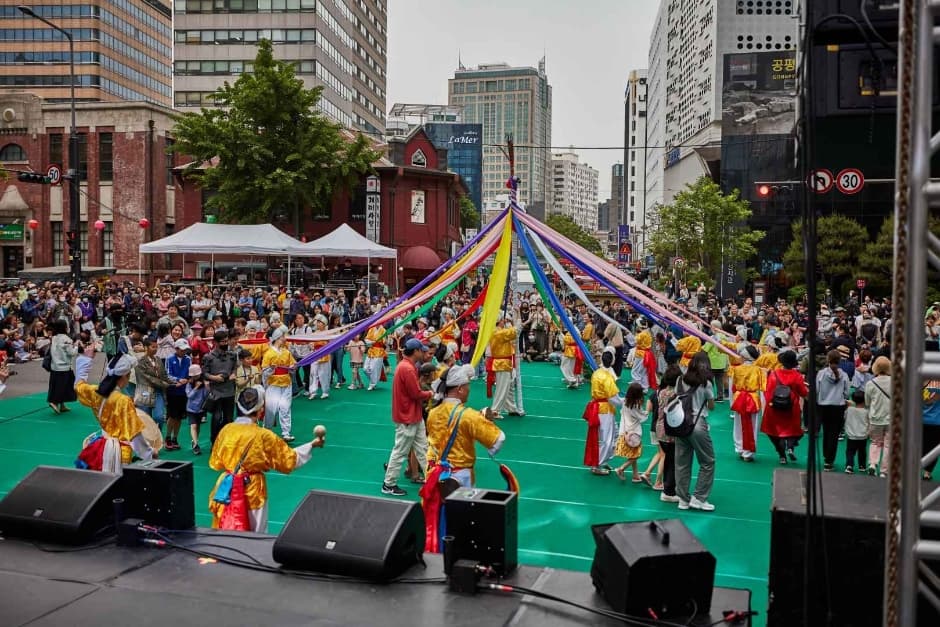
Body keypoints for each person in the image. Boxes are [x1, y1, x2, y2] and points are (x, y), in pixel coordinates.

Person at [208, 386, 324, 532]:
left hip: (226, 489)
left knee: (225, 530)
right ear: (261, 409)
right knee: (255, 534)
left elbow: (216, 463)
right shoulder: (263, 436)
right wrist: (311, 445)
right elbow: (289, 460)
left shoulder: (226, 430)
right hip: (252, 489)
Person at [425, 364, 506, 488]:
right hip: (460, 478)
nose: (469, 389)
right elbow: (498, 440)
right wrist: (484, 422)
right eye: (467, 386)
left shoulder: (432, 412)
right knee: (461, 506)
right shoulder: (469, 416)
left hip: (434, 472)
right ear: (460, 389)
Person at [74, 352, 155, 471]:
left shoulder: (96, 392)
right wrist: (149, 453)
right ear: (124, 376)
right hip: (119, 451)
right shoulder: (123, 400)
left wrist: (85, 360)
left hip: (100, 446)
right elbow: (134, 434)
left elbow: (78, 386)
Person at [382, 338, 433, 496]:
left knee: (423, 448)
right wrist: (431, 393)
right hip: (408, 417)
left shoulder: (404, 366)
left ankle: (432, 479)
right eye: (421, 350)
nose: (423, 353)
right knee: (401, 451)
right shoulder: (408, 369)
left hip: (412, 415)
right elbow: (416, 394)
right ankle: (388, 483)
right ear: (416, 351)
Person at [674, 351, 716, 511]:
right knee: (708, 461)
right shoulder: (706, 384)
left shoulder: (680, 379)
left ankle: (683, 499)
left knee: (682, 463)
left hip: (680, 422)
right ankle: (699, 497)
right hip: (697, 423)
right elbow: (711, 406)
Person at [760, 350, 808, 464]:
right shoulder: (797, 376)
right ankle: (790, 446)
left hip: (775, 407)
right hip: (791, 407)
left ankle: (782, 455)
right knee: (794, 430)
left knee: (773, 432)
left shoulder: (773, 374)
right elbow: (803, 392)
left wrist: (770, 404)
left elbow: (768, 392)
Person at [584, 347, 623, 476]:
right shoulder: (607, 378)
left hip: (598, 407)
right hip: (604, 410)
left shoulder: (597, 372)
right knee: (607, 438)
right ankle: (597, 464)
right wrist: (626, 403)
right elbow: (613, 398)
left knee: (611, 434)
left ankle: (603, 459)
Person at [816, 349, 851, 471]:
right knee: (834, 434)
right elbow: (846, 393)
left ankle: (826, 456)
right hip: (838, 407)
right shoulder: (845, 376)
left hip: (824, 406)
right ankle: (829, 460)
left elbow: (816, 390)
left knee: (826, 432)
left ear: (828, 359)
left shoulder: (821, 374)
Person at [261, 325, 296, 441]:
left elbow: (292, 365)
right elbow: (264, 372)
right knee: (271, 409)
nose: (284, 339)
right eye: (282, 337)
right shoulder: (268, 353)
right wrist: (271, 369)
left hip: (286, 382)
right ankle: (267, 430)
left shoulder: (286, 352)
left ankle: (286, 432)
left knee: (285, 407)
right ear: (276, 338)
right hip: (273, 384)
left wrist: (292, 367)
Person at [203, 329, 238, 446]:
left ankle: (226, 440)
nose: (225, 343)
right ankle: (215, 441)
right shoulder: (208, 357)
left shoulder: (232, 355)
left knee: (229, 419)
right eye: (222, 342)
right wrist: (214, 378)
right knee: (216, 418)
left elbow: (235, 368)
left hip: (229, 391)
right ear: (216, 342)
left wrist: (233, 374)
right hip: (216, 392)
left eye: (226, 341)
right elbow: (204, 373)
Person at [730, 344, 764, 462]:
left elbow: (733, 386)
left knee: (738, 423)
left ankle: (740, 448)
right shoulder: (759, 370)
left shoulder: (736, 369)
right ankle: (748, 452)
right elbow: (763, 388)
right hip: (753, 399)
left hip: (740, 398)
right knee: (753, 425)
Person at [655, 365, 682, 503]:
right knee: (672, 461)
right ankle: (669, 491)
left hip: (660, 429)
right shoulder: (676, 395)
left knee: (668, 460)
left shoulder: (662, 392)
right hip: (671, 431)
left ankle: (668, 486)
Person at [489, 315, 524, 416]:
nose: (504, 321)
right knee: (502, 388)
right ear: (499, 321)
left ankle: (511, 408)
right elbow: (514, 332)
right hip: (502, 363)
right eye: (503, 320)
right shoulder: (497, 332)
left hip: (506, 362)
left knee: (509, 387)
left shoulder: (500, 331)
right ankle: (495, 410)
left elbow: (513, 335)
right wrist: (518, 320)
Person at [614, 382, 649, 482]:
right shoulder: (636, 405)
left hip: (624, 431)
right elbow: (642, 417)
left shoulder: (625, 402)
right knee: (637, 454)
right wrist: (647, 410)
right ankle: (621, 468)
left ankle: (635, 475)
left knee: (632, 454)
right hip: (633, 432)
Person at [864, 356, 892, 477]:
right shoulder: (896, 382)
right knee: (888, 445)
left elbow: (867, 402)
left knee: (875, 442)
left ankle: (872, 464)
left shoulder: (870, 383)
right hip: (891, 418)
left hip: (875, 417)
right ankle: (884, 470)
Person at [164, 338, 191, 451]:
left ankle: (175, 438)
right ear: (176, 348)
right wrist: (179, 380)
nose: (184, 352)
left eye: (185, 350)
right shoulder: (169, 359)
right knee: (172, 416)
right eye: (182, 350)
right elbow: (167, 374)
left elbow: (190, 373)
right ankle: (168, 437)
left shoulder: (188, 359)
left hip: (183, 392)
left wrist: (187, 380)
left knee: (179, 417)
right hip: (172, 391)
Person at [47, 318, 77, 414]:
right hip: (64, 367)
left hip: (55, 366)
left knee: (57, 385)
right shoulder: (66, 339)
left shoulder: (54, 338)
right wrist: (76, 346)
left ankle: (62, 405)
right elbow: (71, 353)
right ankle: (54, 402)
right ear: (65, 327)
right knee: (63, 386)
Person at [844, 389, 870, 474]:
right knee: (862, 451)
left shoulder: (849, 410)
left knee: (850, 451)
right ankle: (862, 466)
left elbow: (844, 417)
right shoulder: (866, 412)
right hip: (863, 436)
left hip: (851, 435)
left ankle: (849, 466)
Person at [185, 364, 208, 454]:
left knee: (197, 426)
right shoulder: (189, 384)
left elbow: (206, 396)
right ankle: (195, 444)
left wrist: (207, 387)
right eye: (194, 376)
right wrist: (196, 387)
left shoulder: (203, 383)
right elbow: (189, 396)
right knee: (193, 425)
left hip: (201, 409)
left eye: (197, 375)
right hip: (191, 409)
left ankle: (194, 441)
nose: (196, 377)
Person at [364, 324, 387, 391]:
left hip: (379, 351)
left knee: (373, 368)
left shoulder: (383, 330)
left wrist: (380, 342)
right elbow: (366, 338)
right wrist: (371, 342)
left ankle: (373, 384)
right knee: (365, 369)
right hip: (371, 350)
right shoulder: (371, 329)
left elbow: (384, 342)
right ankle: (373, 380)